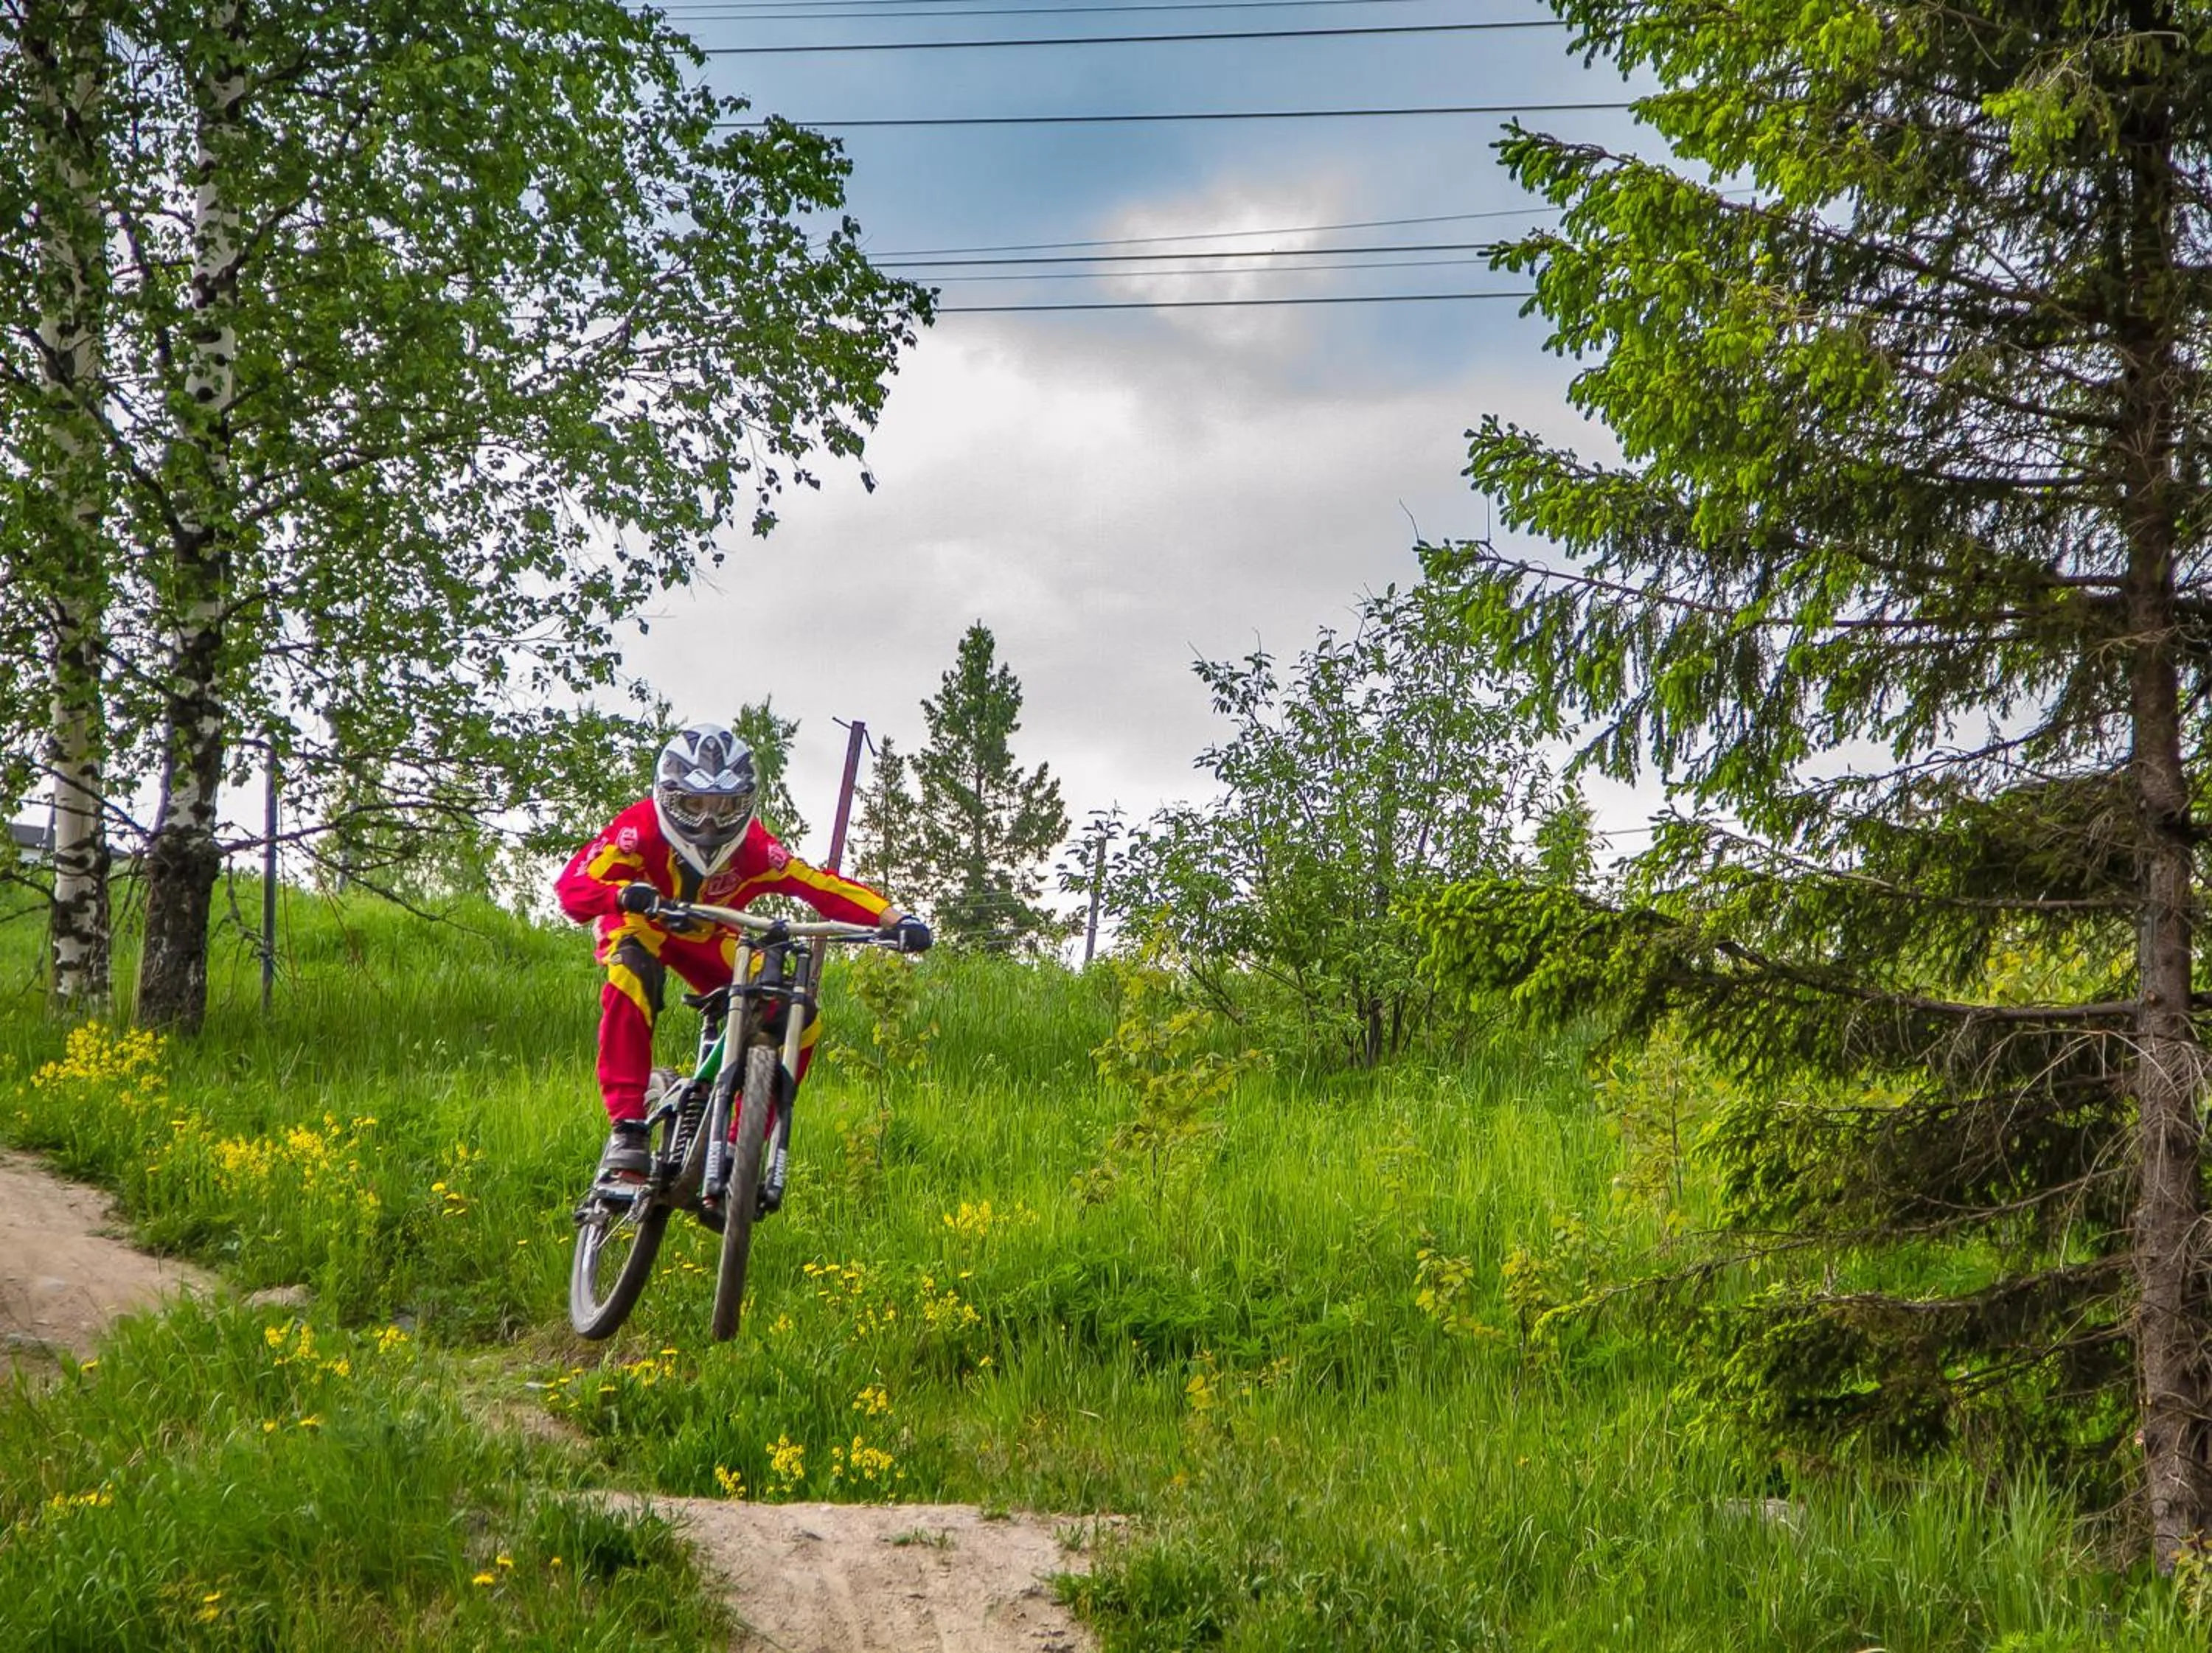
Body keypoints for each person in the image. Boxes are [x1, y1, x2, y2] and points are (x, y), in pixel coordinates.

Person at [555, 722, 930, 1180]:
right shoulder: (638, 830)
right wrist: (619, 895)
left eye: (725, 806)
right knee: (631, 974)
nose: (710, 820)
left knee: (800, 1015)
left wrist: (896, 920)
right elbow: (574, 886)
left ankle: (742, 1144)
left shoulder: (754, 847)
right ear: (670, 797)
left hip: (713, 936)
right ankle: (627, 1127)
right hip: (641, 924)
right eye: (695, 804)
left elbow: (820, 885)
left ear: (745, 803)